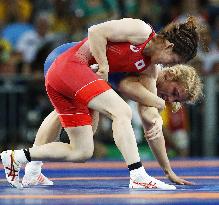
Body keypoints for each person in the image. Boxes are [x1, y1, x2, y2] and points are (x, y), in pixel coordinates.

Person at [1, 17, 199, 189]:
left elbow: (148, 114)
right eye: (172, 60)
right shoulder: (141, 30)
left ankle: (18, 159)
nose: (167, 65)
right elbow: (95, 31)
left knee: (83, 150)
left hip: (83, 75)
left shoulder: (149, 69)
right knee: (121, 111)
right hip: (70, 61)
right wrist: (104, 66)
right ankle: (138, 175)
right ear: (169, 46)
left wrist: (167, 170)